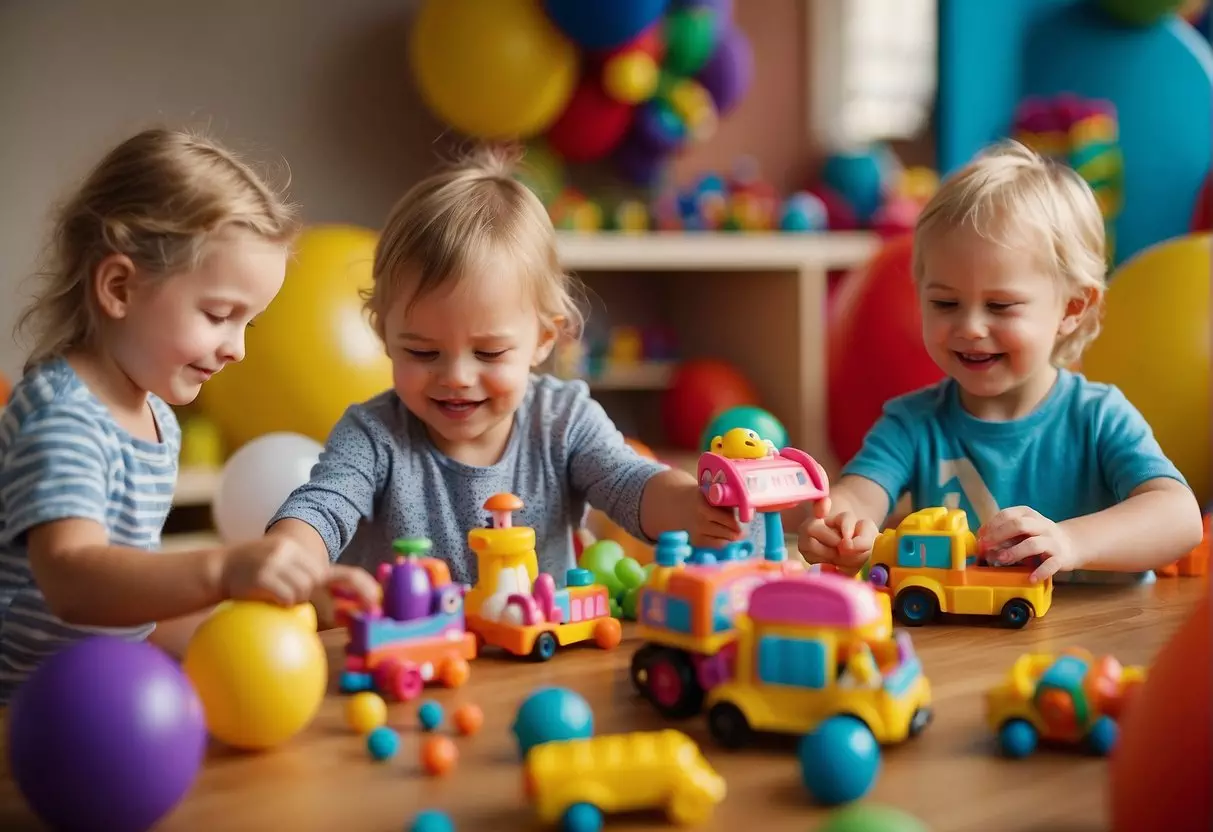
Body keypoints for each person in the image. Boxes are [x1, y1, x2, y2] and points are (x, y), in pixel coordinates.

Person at [0, 127, 379, 702]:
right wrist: (223, 570)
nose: (238, 349)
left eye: (247, 324)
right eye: (219, 314)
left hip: (103, 697)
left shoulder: (156, 418)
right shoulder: (61, 415)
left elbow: (132, 614)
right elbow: (73, 582)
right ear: (120, 287)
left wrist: (291, 602)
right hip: (26, 715)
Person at [267, 147, 741, 585]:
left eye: (489, 353)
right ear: (384, 336)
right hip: (412, 658)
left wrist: (689, 506)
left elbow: (629, 482)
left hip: (537, 652)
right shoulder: (372, 436)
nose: (456, 376)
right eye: (422, 352)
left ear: (543, 339)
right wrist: (289, 555)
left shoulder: (563, 421)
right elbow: (322, 508)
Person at [798, 140, 1203, 584]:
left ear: (1071, 309)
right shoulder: (912, 423)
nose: (970, 326)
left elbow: (1180, 518)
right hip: (977, 645)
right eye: (945, 303)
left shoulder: (1098, 417)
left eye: (1000, 305)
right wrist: (840, 523)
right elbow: (861, 492)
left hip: (1097, 642)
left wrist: (1071, 542)